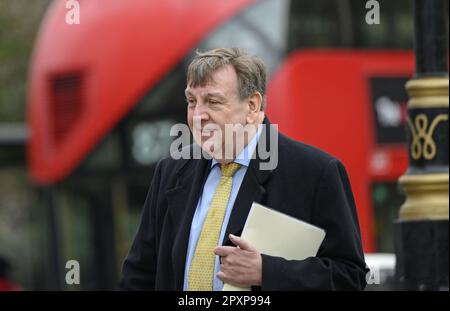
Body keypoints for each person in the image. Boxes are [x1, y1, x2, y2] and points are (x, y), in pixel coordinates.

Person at [119, 48, 368, 290]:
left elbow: (350, 277)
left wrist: (266, 272)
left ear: (252, 106)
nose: (198, 115)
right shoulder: (171, 171)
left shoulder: (316, 173)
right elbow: (139, 276)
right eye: (192, 101)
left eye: (213, 101)